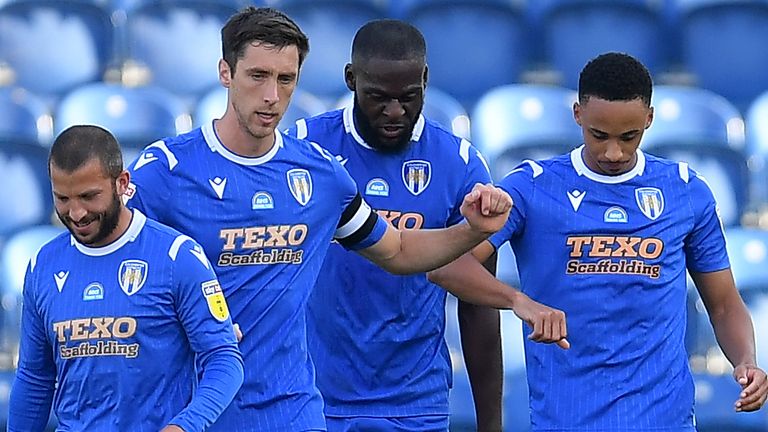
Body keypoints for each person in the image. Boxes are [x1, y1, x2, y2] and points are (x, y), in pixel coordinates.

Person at [124, 7, 512, 432]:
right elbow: (116, 270)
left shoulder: (320, 174)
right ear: (225, 72)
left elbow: (398, 250)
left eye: (285, 79)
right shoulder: (165, 170)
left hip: (297, 410)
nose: (272, 95)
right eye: (258, 76)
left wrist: (472, 229)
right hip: (202, 408)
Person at [429, 52, 768, 430]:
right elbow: (445, 266)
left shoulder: (685, 191)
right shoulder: (533, 186)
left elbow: (722, 305)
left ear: (649, 119)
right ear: (577, 114)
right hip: (566, 419)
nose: (613, 152)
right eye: (599, 135)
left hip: (664, 420)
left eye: (629, 137)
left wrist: (746, 361)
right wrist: (517, 301)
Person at [285, 19, 503, 432]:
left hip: (416, 401)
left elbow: (478, 302)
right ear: (351, 80)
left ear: (425, 79)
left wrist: (490, 425)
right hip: (314, 396)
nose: (395, 112)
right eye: (378, 98)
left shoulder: (458, 163)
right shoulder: (304, 149)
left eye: (408, 97)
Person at [8, 125, 244, 431]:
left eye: (89, 196)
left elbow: (224, 360)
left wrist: (186, 425)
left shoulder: (177, 257)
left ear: (122, 183)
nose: (76, 213)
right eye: (63, 198)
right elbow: (34, 377)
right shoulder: (43, 264)